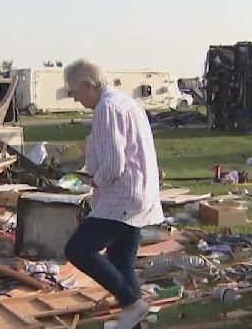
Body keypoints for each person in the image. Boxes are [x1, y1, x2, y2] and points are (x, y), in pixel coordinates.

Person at [63, 59, 164, 329]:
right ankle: (134, 321)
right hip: (141, 191)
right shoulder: (127, 103)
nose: (75, 99)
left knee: (78, 249)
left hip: (124, 194)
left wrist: (94, 179)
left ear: (88, 85)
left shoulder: (106, 109)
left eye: (75, 92)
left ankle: (132, 302)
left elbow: (114, 163)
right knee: (120, 260)